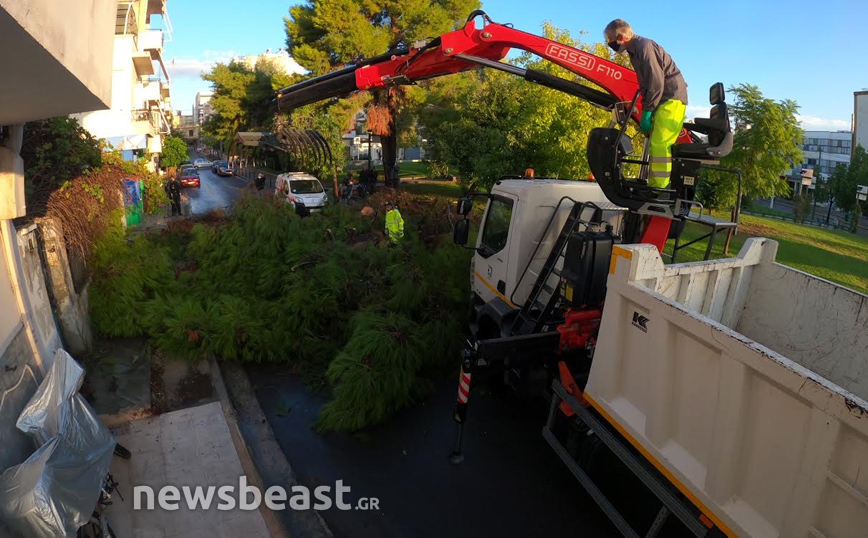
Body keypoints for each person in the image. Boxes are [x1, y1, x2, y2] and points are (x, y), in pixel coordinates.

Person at [604, 19, 688, 189]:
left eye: (610, 40)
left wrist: (648, 111)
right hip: (663, 99)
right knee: (654, 144)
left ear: (621, 37)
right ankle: (655, 184)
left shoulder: (644, 47)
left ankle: (659, 190)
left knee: (660, 144)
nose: (609, 44)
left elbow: (656, 83)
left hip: (671, 98)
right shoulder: (635, 52)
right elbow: (646, 85)